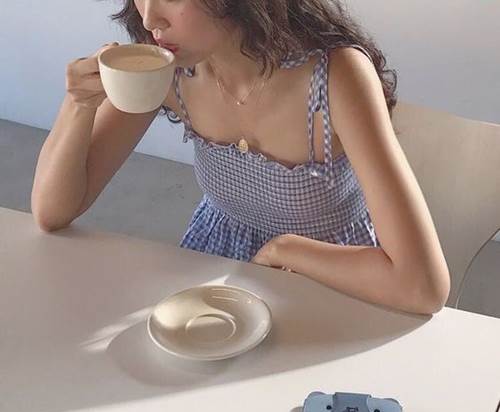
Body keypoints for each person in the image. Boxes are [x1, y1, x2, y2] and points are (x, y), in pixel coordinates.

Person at [31, 0, 450, 314]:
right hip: (217, 271)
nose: (150, 18)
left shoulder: (335, 76)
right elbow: (52, 212)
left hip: (338, 275)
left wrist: (283, 250)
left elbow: (423, 287)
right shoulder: (168, 68)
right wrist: (78, 105)